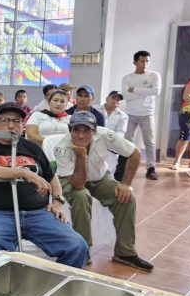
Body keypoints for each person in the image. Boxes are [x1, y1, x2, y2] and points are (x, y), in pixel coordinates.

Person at [0, 103, 88, 268]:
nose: (11, 125)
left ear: (22, 126)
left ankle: (54, 282)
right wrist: (24, 173)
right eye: (5, 120)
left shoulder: (32, 147)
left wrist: (57, 201)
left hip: (38, 213)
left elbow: (52, 177)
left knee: (77, 246)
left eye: (16, 121)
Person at [52, 112, 153, 271]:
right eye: (76, 130)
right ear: (70, 130)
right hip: (71, 180)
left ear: (95, 130)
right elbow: (78, 184)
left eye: (86, 130)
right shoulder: (61, 147)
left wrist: (126, 184)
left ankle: (125, 252)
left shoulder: (106, 135)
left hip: (99, 178)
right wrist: (81, 156)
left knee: (125, 198)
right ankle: (83, 251)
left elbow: (134, 153)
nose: (81, 135)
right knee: (81, 196)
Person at [120, 50, 161, 180]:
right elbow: (126, 96)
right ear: (135, 62)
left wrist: (135, 89)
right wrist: (146, 91)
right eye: (142, 61)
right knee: (127, 140)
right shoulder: (127, 78)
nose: (145, 64)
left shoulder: (154, 75)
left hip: (147, 113)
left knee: (150, 142)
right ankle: (123, 166)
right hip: (130, 113)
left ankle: (151, 168)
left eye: (147, 61)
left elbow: (156, 91)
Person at [98, 91, 129, 178]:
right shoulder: (95, 109)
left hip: (111, 146)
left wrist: (108, 141)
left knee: (109, 173)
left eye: (118, 100)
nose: (116, 101)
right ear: (107, 98)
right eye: (113, 98)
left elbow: (120, 133)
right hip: (95, 143)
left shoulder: (123, 116)